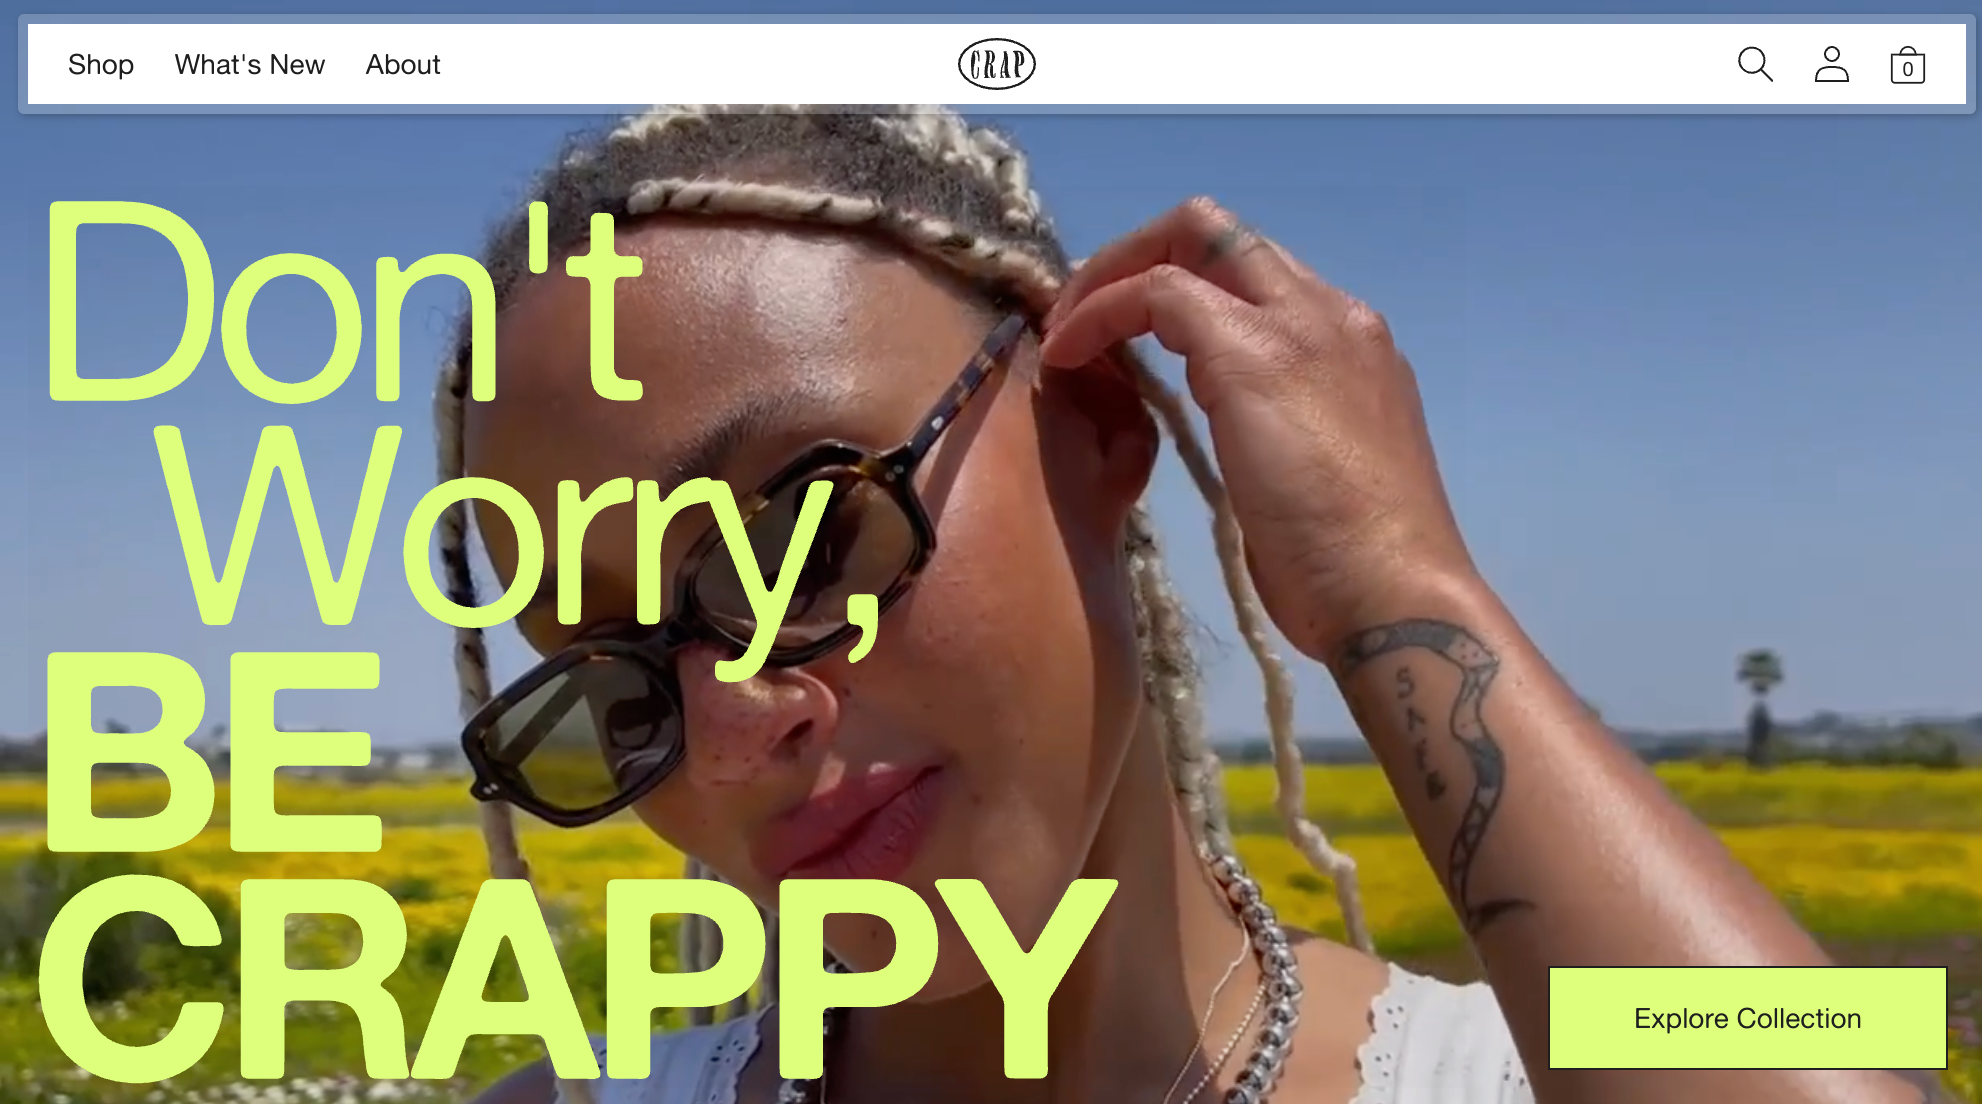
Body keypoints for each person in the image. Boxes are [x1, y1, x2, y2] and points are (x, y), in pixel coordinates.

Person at [441, 106, 1943, 1104]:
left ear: (1095, 430)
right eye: (615, 680)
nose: (726, 732)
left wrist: (1391, 574)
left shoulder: (1502, 1072)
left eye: (802, 540)